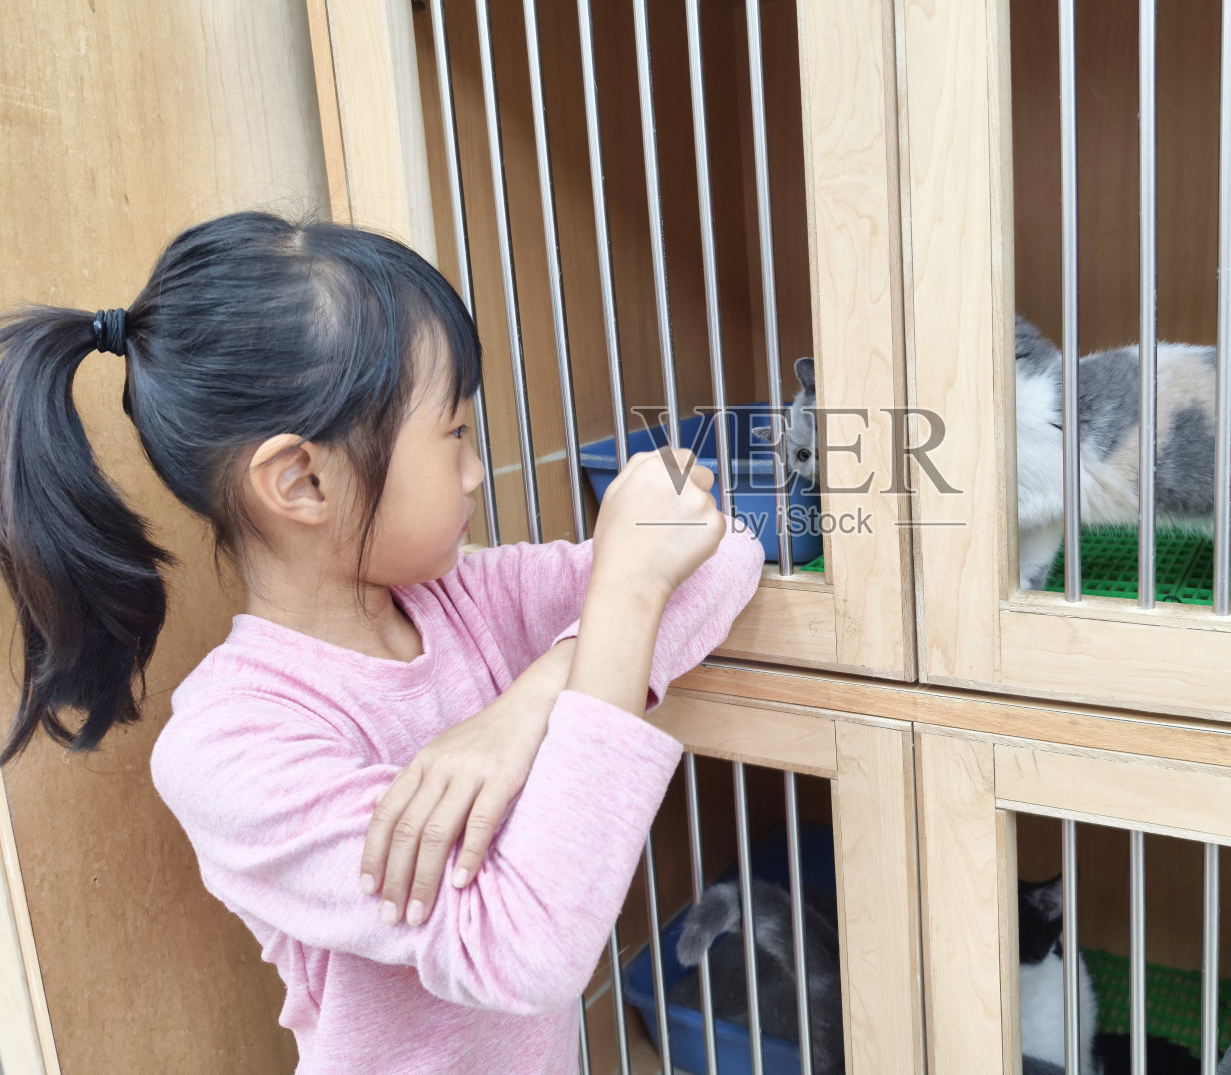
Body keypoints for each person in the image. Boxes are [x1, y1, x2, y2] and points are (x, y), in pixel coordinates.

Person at [0, 211, 765, 1072]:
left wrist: (530, 700)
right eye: (455, 433)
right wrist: (623, 592)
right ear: (302, 479)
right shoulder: (227, 746)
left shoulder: (461, 596)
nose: (476, 469)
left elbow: (725, 554)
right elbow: (525, 947)